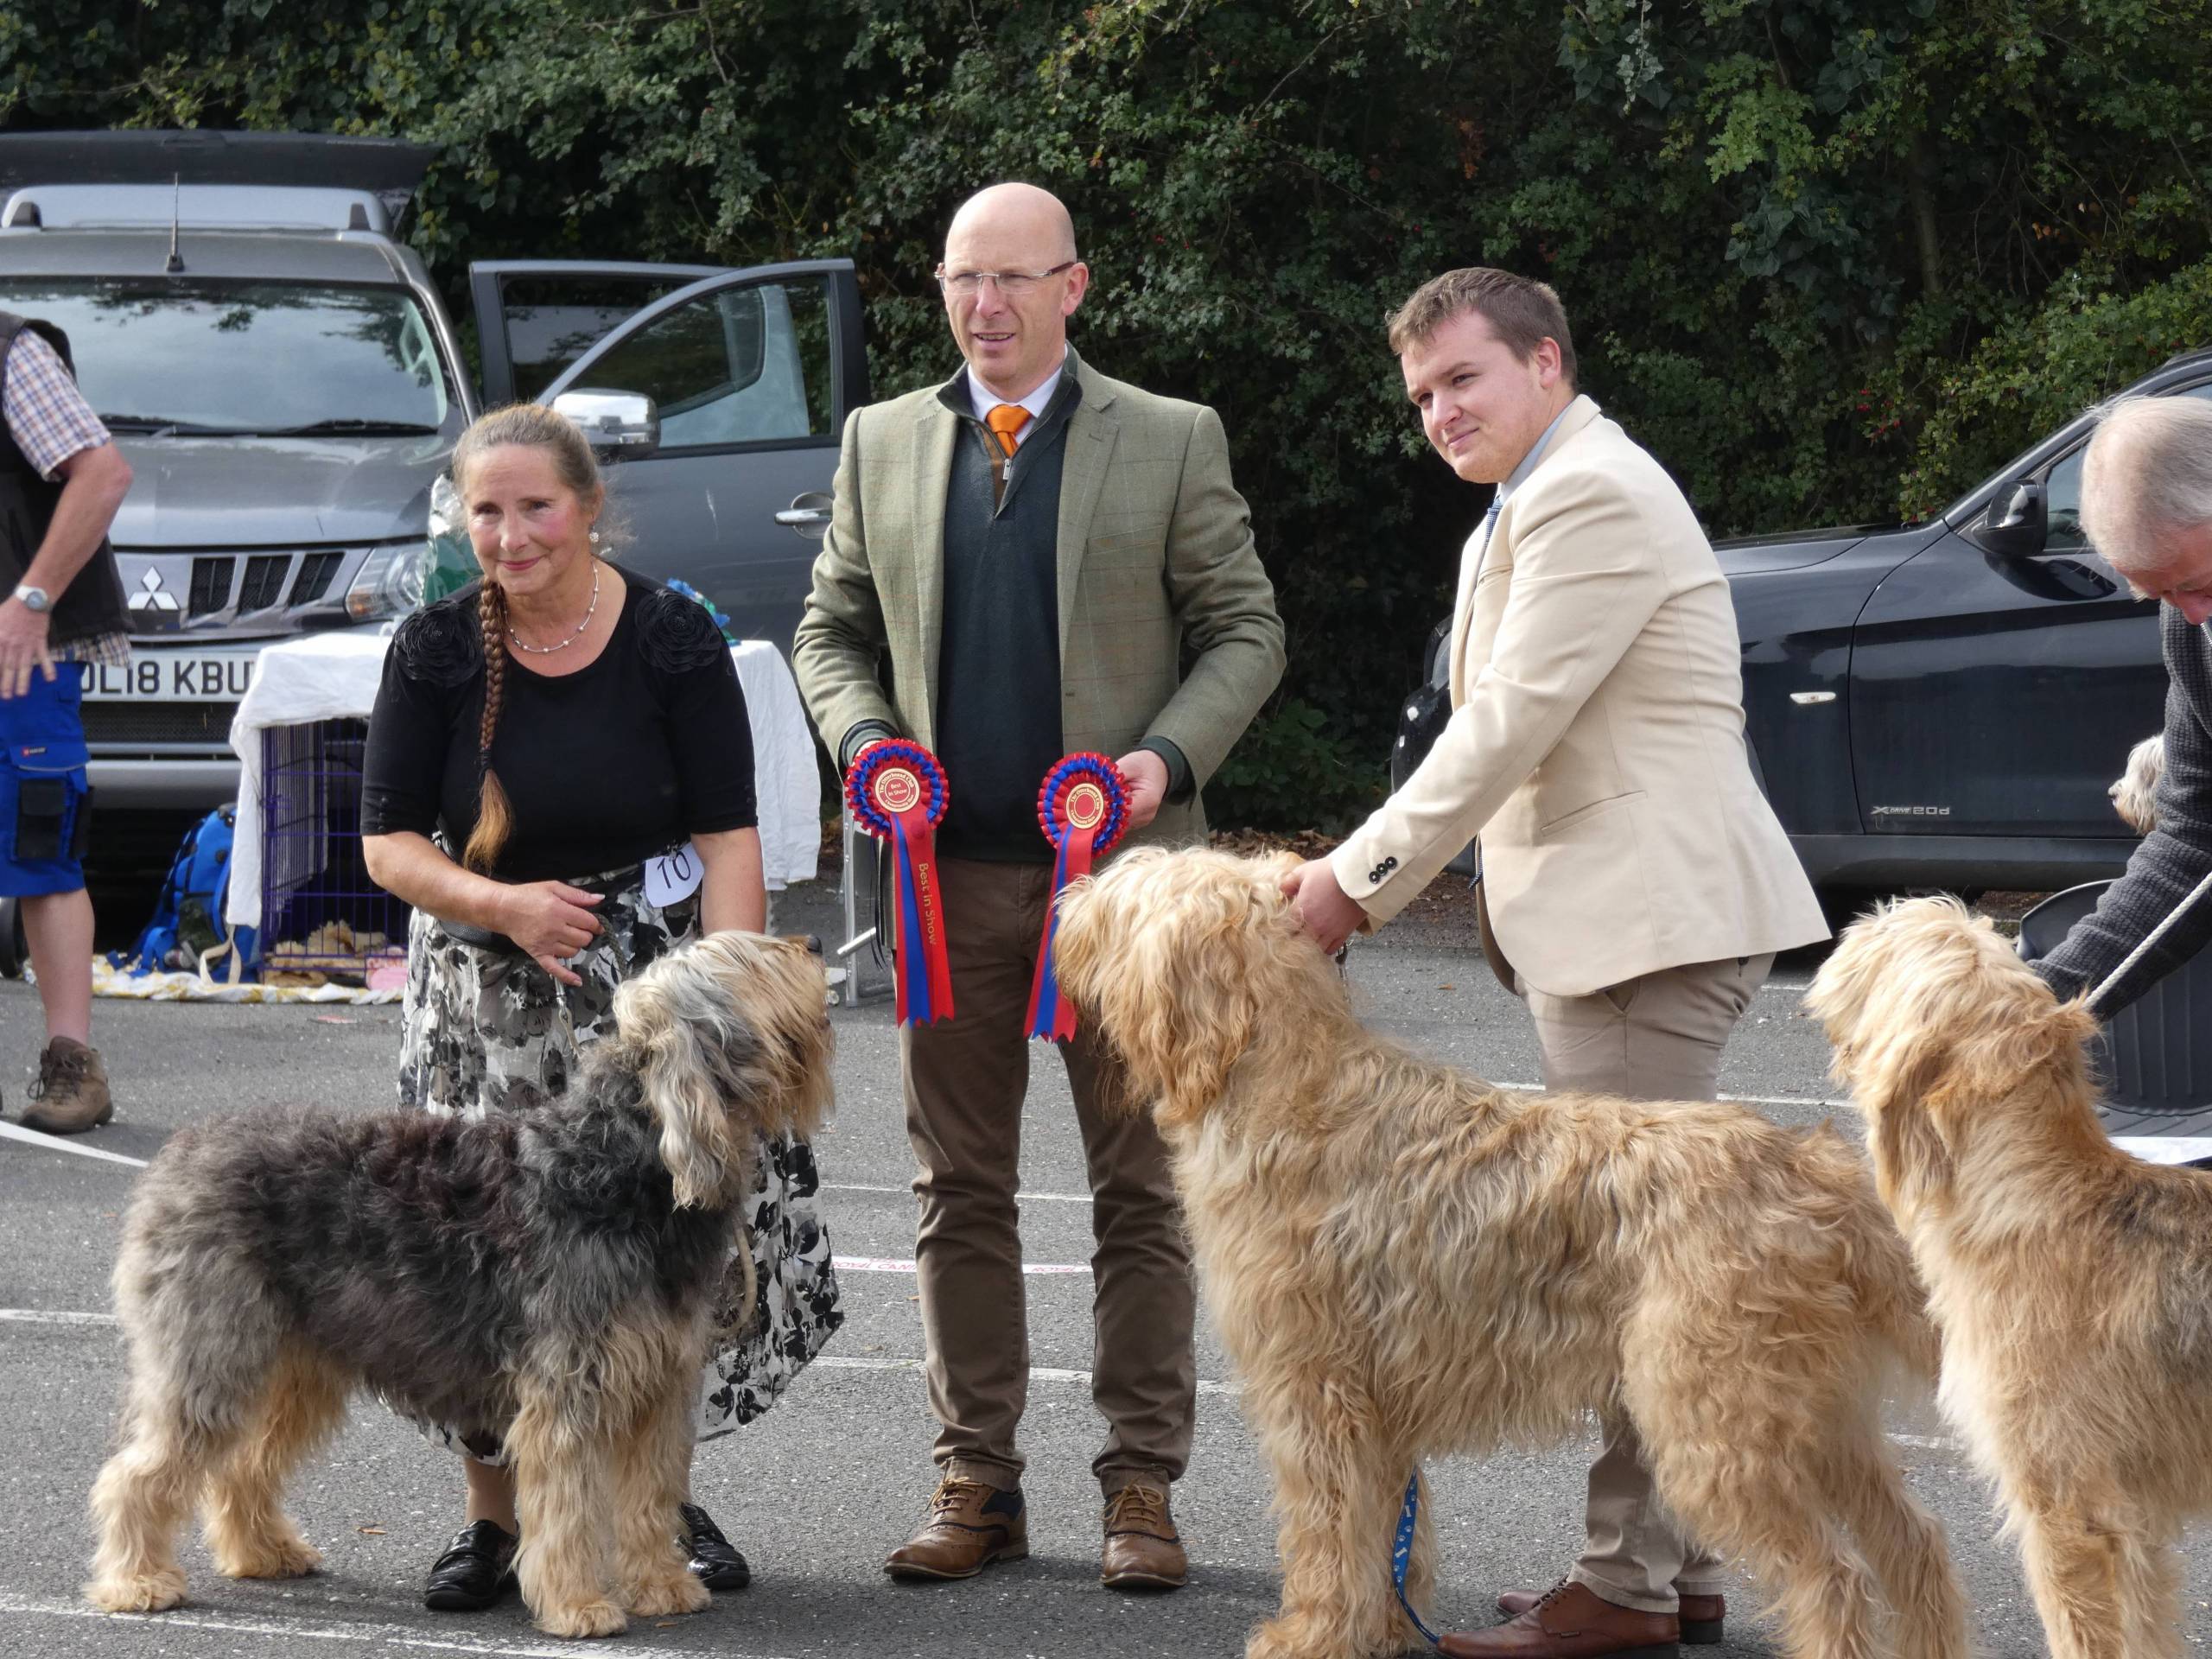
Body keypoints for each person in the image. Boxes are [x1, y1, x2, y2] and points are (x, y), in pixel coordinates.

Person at [1280, 268, 1827, 1659]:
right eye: (1420, 398)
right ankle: (1679, 1566)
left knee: (1639, 1273)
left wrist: (1353, 882)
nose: (1440, 414)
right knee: (1659, 1260)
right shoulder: (1537, 495)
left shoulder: (1589, 491)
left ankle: (1625, 1588)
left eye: (1463, 380)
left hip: (1651, 925)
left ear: (1544, 362)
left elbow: (1509, 724)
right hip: (1629, 921)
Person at [794, 181, 1283, 1591]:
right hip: (941, 892)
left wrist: (1160, 766)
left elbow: (1247, 632)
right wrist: (866, 740)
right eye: (963, 279)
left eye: (1014, 279)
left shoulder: (1171, 438)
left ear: (1075, 287)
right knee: (960, 1192)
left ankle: (1142, 1490)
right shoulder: (881, 438)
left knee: (1142, 1196)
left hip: (1125, 897)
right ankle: (977, 1483)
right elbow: (830, 627)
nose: (986, 306)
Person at [359, 404, 841, 1613]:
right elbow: (382, 845)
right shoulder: (430, 650)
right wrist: (503, 905)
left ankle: (652, 1513)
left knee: (663, 1266)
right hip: (485, 991)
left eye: (535, 507)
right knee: (485, 1274)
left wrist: (726, 998)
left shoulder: (675, 637)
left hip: (656, 997)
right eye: (486, 511)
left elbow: (728, 833)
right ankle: (493, 1524)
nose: (510, 535)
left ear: (587, 507)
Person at [2030, 395, 2212, 1013]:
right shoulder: (2192, 630)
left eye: (2200, 586)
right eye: (2158, 595)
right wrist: (2039, 1008)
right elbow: (2193, 841)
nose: (2190, 615)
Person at [0, 308, 132, 1135]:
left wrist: (32, 599)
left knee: (43, 850)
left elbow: (104, 473)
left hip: (17, 653)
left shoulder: (13, 352)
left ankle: (71, 1063)